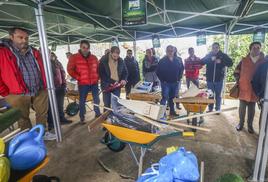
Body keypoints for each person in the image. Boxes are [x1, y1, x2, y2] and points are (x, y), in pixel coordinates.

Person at [0, 27, 56, 140]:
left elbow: (42, 68)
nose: (24, 40)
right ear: (11, 37)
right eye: (20, 37)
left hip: (39, 89)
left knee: (42, 113)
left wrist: (45, 84)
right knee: (22, 117)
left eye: (26, 38)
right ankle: (29, 138)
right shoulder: (3, 52)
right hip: (16, 92)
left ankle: (42, 132)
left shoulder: (34, 51)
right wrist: (4, 92)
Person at [234, 42, 265, 133]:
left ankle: (250, 126)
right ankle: (240, 124)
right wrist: (238, 80)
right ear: (250, 49)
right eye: (254, 48)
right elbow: (236, 71)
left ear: (260, 49)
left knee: (252, 109)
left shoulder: (263, 62)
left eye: (258, 48)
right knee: (242, 109)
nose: (256, 49)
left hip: (255, 90)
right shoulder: (244, 60)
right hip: (244, 88)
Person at [67, 40, 101, 124]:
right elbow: (70, 70)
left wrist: (98, 77)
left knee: (96, 99)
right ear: (80, 47)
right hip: (83, 84)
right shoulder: (74, 57)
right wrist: (78, 77)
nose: (85, 49)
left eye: (87, 48)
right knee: (82, 101)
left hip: (94, 83)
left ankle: (97, 113)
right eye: (83, 47)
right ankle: (82, 117)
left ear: (89, 48)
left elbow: (98, 68)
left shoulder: (94, 57)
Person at [201, 42, 233, 112]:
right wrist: (210, 59)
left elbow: (230, 63)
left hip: (219, 80)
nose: (215, 49)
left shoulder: (223, 55)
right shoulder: (209, 55)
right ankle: (210, 108)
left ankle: (218, 109)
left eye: (216, 47)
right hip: (209, 80)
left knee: (218, 95)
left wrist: (221, 61)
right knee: (210, 95)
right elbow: (201, 62)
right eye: (213, 48)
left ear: (219, 48)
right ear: (211, 48)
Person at [156, 45, 184, 117]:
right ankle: (162, 113)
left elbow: (181, 69)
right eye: (168, 50)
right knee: (164, 98)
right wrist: (163, 80)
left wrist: (179, 78)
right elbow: (158, 72)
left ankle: (172, 112)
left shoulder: (178, 60)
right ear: (166, 51)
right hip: (165, 83)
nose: (170, 52)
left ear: (174, 51)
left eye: (172, 50)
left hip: (175, 82)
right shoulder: (162, 60)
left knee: (172, 98)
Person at [47, 52, 72, 131]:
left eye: (51, 54)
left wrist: (64, 85)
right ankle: (51, 123)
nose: (51, 56)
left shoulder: (58, 63)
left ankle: (62, 118)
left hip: (60, 87)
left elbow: (63, 73)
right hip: (50, 88)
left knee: (60, 105)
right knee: (51, 107)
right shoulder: (45, 63)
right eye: (49, 54)